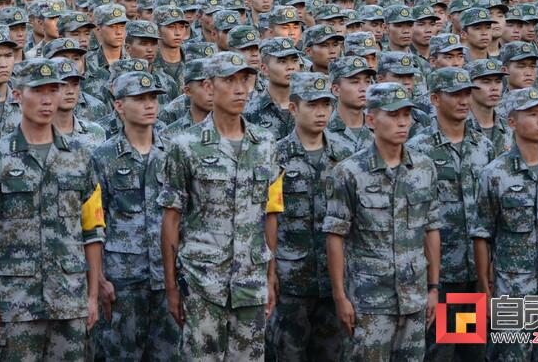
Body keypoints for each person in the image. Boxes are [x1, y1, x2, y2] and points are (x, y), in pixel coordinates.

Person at [0, 58, 105, 361]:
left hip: (70, 300)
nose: (47, 100)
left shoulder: (81, 157)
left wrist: (92, 297)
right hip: (16, 304)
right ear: (17, 95)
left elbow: (92, 230)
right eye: (38, 91)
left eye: (53, 90)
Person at [158, 51, 284, 359]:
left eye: (245, 80)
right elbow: (171, 219)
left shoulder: (265, 144)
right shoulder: (185, 145)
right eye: (229, 81)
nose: (240, 89)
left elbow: (270, 213)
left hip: (250, 282)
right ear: (210, 87)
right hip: (202, 282)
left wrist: (270, 274)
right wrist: (172, 287)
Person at [323, 82, 441, 361]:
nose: (403, 123)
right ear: (371, 119)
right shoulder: (349, 172)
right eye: (393, 115)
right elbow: (335, 236)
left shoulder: (424, 168)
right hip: (368, 300)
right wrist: (340, 296)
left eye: (406, 115)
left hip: (414, 297)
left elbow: (431, 228)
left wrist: (433, 288)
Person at [472, 87, 538, 362]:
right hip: (513, 290)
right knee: (509, 356)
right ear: (512, 122)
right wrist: (485, 288)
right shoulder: (494, 174)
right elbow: (482, 234)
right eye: (532, 114)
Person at [407, 67, 494, 362]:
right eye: (454, 94)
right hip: (439, 275)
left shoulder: (484, 146)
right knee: (440, 354)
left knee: (472, 351)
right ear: (434, 98)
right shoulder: (419, 149)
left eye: (467, 93)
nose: (463, 101)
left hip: (477, 272)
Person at [92, 71, 180, 361]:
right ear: (119, 106)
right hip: (122, 280)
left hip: (168, 278)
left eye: (153, 98)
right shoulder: (103, 157)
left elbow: (185, 217)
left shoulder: (174, 153)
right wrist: (99, 279)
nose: (149, 105)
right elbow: (94, 222)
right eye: (139, 99)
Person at [267, 72, 347, 362]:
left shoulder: (346, 155)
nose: (321, 112)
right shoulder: (275, 156)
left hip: (334, 281)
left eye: (326, 104)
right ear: (293, 108)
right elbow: (268, 218)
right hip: (290, 281)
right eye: (312, 105)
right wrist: (271, 270)